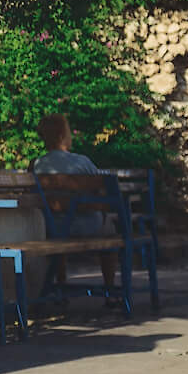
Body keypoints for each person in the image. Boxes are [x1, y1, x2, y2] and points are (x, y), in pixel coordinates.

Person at [31, 113, 117, 301]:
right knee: (110, 227)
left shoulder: (37, 164)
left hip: (55, 226)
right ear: (63, 135)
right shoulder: (81, 161)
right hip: (87, 226)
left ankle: (61, 286)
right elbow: (103, 191)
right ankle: (110, 289)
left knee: (62, 222)